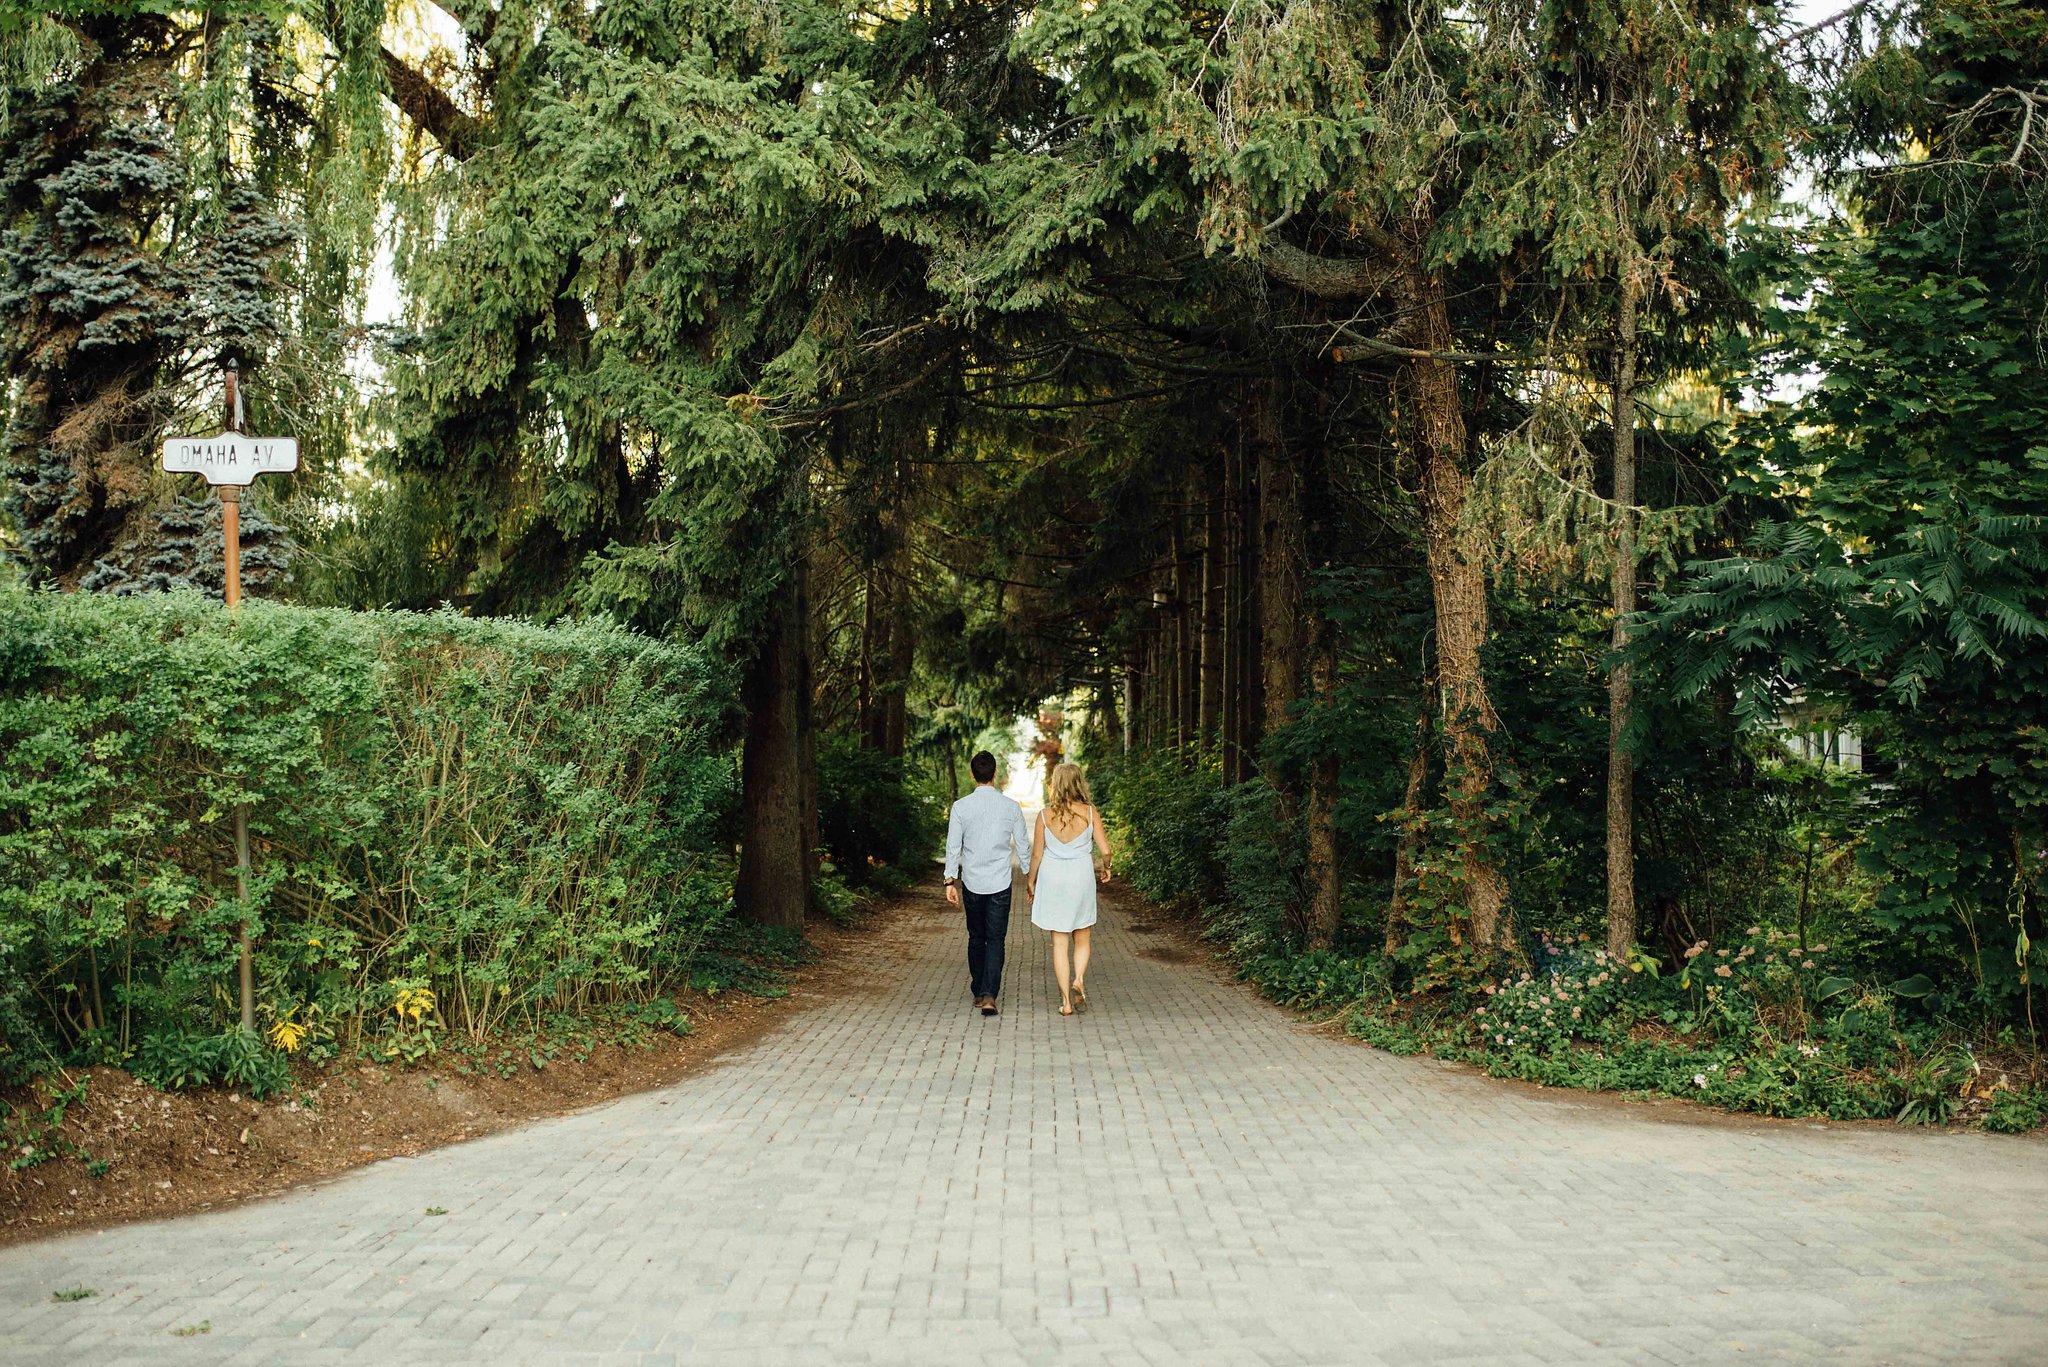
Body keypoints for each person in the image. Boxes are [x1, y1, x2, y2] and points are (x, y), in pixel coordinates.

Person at [944, 750, 1032, 1017]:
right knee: (996, 939)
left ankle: (979, 991)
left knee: (976, 937)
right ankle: (990, 994)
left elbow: (952, 847)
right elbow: (1024, 847)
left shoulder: (961, 807)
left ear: (972, 774)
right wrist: (1031, 878)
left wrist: (950, 880)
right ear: (995, 775)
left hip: (971, 882)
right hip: (1000, 883)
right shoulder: (1011, 807)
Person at [1023, 762, 1113, 1017]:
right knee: (1082, 935)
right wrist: (1107, 867)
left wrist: (1031, 882)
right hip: (1080, 876)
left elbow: (1037, 855)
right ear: (1079, 783)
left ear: (1056, 784)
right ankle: (1079, 980)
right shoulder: (1090, 812)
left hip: (1053, 878)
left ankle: (1066, 1003)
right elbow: (1105, 850)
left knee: (1059, 943)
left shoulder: (1044, 815)